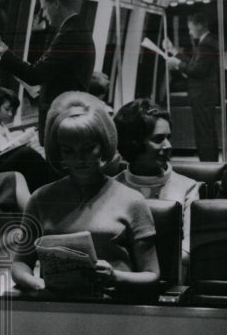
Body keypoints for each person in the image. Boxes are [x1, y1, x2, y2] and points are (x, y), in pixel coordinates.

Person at [11, 91, 159, 297]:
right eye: (68, 151)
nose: (79, 158)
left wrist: (116, 276)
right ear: (59, 152)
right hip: (57, 309)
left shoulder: (132, 201)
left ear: (103, 145)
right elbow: (20, 263)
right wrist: (36, 284)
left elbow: (152, 274)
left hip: (116, 309)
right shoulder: (41, 199)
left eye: (88, 148)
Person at [0, 0, 95, 144]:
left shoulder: (71, 34)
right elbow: (61, 77)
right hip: (64, 116)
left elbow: (35, 74)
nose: (43, 14)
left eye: (44, 8)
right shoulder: (76, 30)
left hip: (60, 118)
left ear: (55, 4)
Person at [113, 99, 202, 273]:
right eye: (158, 139)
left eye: (169, 138)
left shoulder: (188, 187)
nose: (168, 146)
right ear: (134, 142)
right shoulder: (111, 186)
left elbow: (188, 250)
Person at [163, 13, 220, 162]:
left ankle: (207, 164)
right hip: (205, 95)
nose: (189, 32)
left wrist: (176, 64)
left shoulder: (205, 44)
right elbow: (194, 65)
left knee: (204, 133)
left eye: (191, 28)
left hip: (202, 95)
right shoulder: (208, 42)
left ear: (199, 25)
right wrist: (174, 51)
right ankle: (210, 162)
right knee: (206, 131)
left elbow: (197, 71)